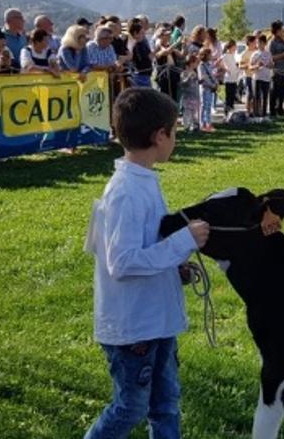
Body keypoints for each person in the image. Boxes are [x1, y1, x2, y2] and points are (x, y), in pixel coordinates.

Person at [83, 87, 209, 439]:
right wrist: (183, 241)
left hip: (157, 319)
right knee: (131, 407)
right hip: (134, 327)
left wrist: (175, 266)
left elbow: (147, 246)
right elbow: (122, 262)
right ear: (159, 136)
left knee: (165, 404)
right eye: (175, 131)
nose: (176, 139)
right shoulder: (125, 192)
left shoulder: (143, 182)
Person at [268, 20, 284, 117]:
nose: (283, 31)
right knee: (274, 91)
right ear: (277, 31)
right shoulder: (272, 42)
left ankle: (280, 109)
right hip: (276, 71)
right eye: (281, 29)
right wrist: (283, 55)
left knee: (282, 92)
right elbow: (270, 58)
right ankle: (272, 111)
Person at [153, 25, 180, 101]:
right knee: (164, 98)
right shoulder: (158, 47)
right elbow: (165, 52)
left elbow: (181, 55)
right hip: (163, 76)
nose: (169, 36)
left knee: (174, 97)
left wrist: (184, 45)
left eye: (169, 35)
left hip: (173, 75)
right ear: (161, 37)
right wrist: (176, 43)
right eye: (166, 35)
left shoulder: (169, 46)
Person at [250, 34, 273, 119]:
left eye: (260, 43)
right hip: (257, 78)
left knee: (265, 97)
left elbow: (271, 65)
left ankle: (264, 114)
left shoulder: (268, 53)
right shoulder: (255, 54)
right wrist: (257, 66)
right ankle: (256, 115)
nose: (259, 44)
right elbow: (250, 67)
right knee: (256, 97)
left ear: (265, 43)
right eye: (257, 43)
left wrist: (269, 65)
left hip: (266, 78)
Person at [127, 18, 153, 87]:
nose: (143, 35)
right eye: (141, 33)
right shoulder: (133, 45)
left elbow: (150, 56)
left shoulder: (143, 43)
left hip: (147, 75)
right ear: (135, 33)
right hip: (139, 76)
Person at [198, 47, 218, 132]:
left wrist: (216, 83)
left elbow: (212, 75)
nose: (211, 55)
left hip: (210, 88)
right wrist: (211, 85)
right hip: (205, 88)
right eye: (210, 54)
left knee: (209, 106)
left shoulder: (209, 65)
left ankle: (208, 123)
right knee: (204, 106)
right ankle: (203, 124)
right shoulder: (201, 65)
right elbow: (203, 78)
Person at [180, 54, 201, 132]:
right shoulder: (184, 73)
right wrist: (189, 77)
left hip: (195, 95)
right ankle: (187, 126)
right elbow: (183, 83)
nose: (197, 64)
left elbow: (195, 83)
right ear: (191, 63)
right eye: (196, 62)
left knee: (195, 112)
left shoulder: (194, 72)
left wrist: (200, 81)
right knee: (187, 112)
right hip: (188, 96)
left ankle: (195, 126)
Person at [239, 34, 257, 115]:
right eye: (254, 42)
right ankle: (248, 111)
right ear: (249, 43)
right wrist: (249, 65)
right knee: (249, 94)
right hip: (248, 76)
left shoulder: (257, 52)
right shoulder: (244, 53)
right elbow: (240, 66)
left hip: (256, 76)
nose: (256, 44)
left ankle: (255, 111)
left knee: (256, 94)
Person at [221, 40, 239, 114]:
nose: (235, 48)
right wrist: (226, 69)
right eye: (235, 46)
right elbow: (220, 63)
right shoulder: (225, 55)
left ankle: (231, 113)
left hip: (234, 79)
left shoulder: (233, 55)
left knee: (232, 97)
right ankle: (226, 113)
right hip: (228, 79)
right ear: (231, 47)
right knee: (228, 97)